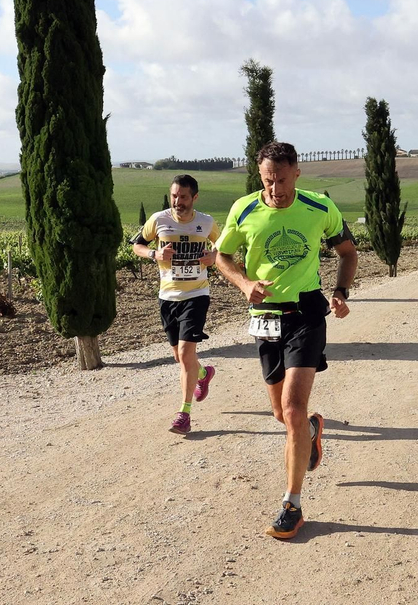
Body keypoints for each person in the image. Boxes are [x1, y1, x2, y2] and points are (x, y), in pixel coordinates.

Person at [214, 141, 356, 540]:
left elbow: (347, 251)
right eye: (267, 180)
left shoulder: (318, 208)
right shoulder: (243, 209)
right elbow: (222, 255)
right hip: (265, 318)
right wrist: (244, 283)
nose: (275, 189)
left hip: (307, 314)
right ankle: (311, 430)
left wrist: (341, 291)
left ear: (297, 172)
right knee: (282, 414)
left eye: (281, 179)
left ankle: (292, 504)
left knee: (292, 408)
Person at [132, 174, 222, 435]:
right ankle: (203, 374)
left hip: (196, 295)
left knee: (184, 354)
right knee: (181, 357)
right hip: (167, 297)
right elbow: (137, 245)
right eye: (174, 196)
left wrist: (213, 257)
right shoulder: (159, 220)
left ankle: (184, 414)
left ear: (194, 197)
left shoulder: (206, 223)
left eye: (183, 197)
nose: (177, 201)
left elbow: (224, 248)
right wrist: (154, 253)